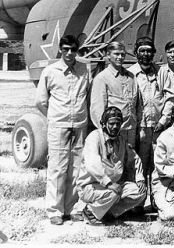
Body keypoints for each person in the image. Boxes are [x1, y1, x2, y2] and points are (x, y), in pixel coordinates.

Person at [35, 34, 91, 225]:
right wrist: (54, 117)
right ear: (60, 49)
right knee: (58, 168)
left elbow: (88, 96)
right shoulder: (50, 72)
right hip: (59, 125)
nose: (69, 53)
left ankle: (72, 208)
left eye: (73, 49)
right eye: (65, 49)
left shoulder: (84, 69)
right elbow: (41, 101)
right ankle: (55, 211)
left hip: (80, 125)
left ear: (77, 50)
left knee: (76, 168)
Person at [127, 37, 174, 211]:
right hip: (139, 127)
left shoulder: (162, 72)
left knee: (158, 166)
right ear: (136, 53)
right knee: (139, 164)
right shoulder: (130, 73)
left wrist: (164, 121)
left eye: (149, 51)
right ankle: (138, 203)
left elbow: (170, 98)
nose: (146, 54)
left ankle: (157, 200)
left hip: (158, 128)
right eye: (142, 51)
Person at [77, 107, 147, 226]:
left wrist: (140, 177)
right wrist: (108, 184)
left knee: (140, 192)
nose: (115, 127)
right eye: (111, 123)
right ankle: (90, 212)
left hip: (112, 186)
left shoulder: (121, 140)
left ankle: (108, 213)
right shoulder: (94, 138)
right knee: (113, 193)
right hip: (90, 187)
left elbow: (134, 159)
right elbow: (93, 164)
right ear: (104, 124)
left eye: (118, 123)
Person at [90, 41, 143, 149]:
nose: (120, 57)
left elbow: (137, 105)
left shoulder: (131, 77)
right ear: (108, 55)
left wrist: (138, 126)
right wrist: (105, 133)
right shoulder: (102, 78)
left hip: (131, 130)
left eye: (122, 54)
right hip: (113, 131)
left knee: (130, 162)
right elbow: (97, 109)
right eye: (116, 54)